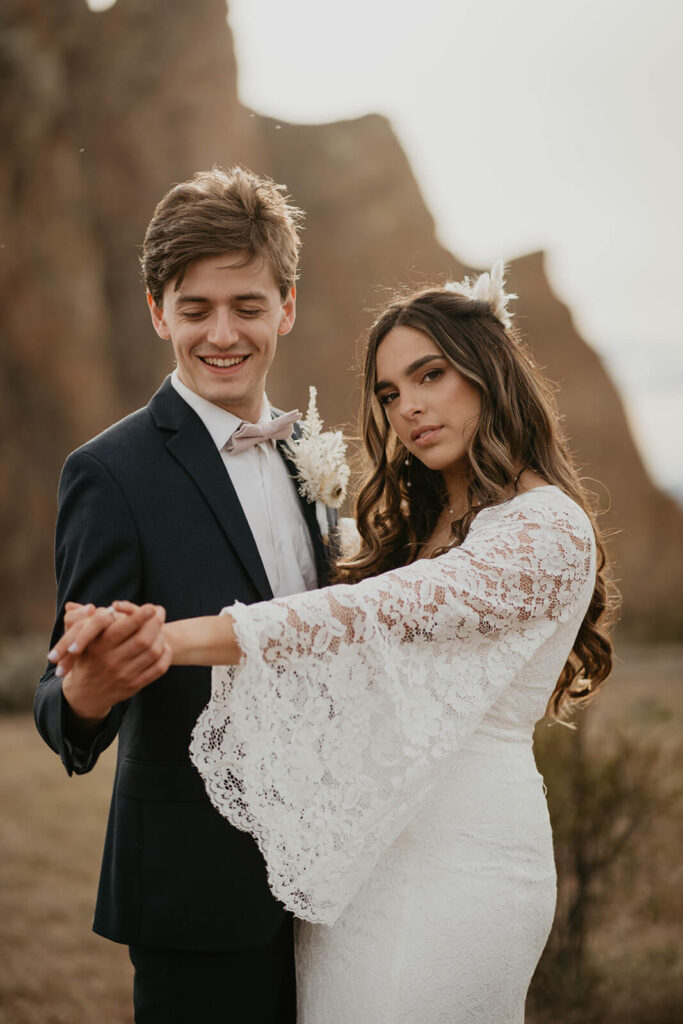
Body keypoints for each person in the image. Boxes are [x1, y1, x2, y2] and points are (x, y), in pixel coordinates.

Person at [50, 263, 616, 1024]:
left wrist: (158, 636)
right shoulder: (402, 534)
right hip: (347, 879)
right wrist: (96, 648)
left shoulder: (545, 529)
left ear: (489, 374)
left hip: (461, 864)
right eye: (388, 393)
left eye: (430, 375)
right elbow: (326, 582)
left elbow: (359, 614)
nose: (408, 407)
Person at [34, 166, 341, 1024]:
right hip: (197, 889)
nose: (222, 333)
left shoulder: (313, 456)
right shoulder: (108, 473)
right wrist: (91, 691)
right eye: (195, 307)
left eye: (246, 306)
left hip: (333, 871)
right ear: (156, 310)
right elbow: (58, 697)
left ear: (286, 305)